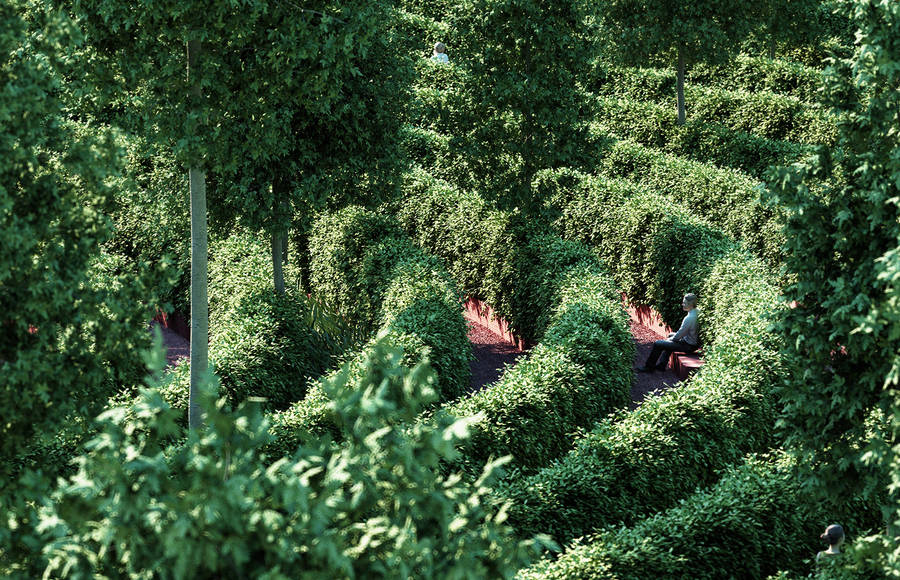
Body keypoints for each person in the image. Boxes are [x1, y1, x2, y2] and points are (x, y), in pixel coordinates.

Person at [637, 293, 699, 373]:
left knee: (658, 343)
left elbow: (678, 336)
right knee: (670, 335)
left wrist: (669, 340)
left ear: (690, 304)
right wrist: (670, 339)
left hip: (688, 346)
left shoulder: (689, 318)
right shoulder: (696, 312)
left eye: (684, 303)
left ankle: (648, 367)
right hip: (691, 342)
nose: (682, 304)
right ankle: (661, 365)